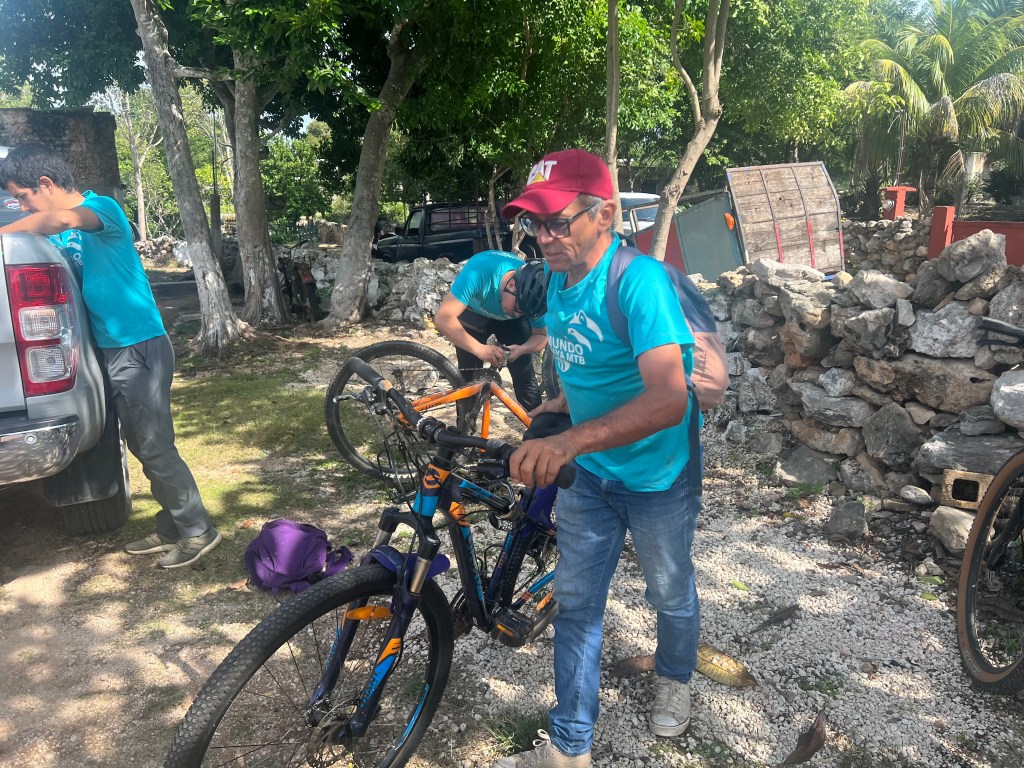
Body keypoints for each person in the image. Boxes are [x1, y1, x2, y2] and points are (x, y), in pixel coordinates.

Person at [497, 149, 701, 768]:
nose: (544, 237)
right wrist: (555, 409)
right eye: (534, 223)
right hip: (591, 475)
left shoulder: (640, 281)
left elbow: (669, 399)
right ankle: (569, 750)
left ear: (604, 215)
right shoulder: (558, 282)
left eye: (558, 221)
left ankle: (675, 676)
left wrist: (567, 442)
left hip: (658, 475)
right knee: (578, 606)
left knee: (669, 592)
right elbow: (587, 362)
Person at [0, 143, 221, 569]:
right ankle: (173, 523)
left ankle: (198, 530)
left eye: (24, 197)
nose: (21, 206)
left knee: (156, 446)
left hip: (139, 346)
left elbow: (60, 217)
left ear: (46, 185)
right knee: (140, 444)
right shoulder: (65, 235)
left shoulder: (102, 210)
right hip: (114, 351)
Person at [434, 251, 549, 411]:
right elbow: (443, 318)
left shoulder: (532, 297)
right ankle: (463, 429)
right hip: (473, 311)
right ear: (511, 285)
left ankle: (537, 429)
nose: (517, 314)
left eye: (525, 313)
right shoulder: (479, 271)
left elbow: (541, 335)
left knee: (524, 375)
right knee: (468, 377)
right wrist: (479, 349)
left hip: (511, 324)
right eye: (518, 308)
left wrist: (522, 349)